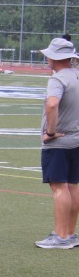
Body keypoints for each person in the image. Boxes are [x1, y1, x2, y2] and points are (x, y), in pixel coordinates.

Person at [35, 38, 79, 249]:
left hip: (59, 142)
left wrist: (50, 132)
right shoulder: (77, 75)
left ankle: (61, 236)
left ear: (55, 57)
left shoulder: (58, 79)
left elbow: (52, 104)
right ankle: (70, 233)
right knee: (72, 186)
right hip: (76, 140)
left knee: (60, 187)